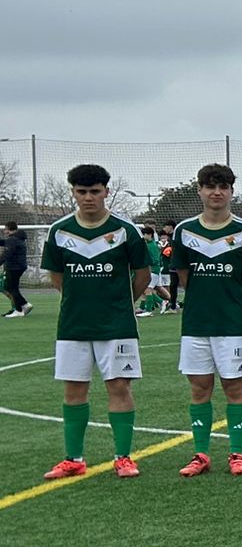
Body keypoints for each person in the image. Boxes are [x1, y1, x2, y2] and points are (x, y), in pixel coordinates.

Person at [40, 163, 152, 479]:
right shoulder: (59, 232)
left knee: (118, 386)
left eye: (94, 191)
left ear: (106, 191)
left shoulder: (125, 231)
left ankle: (123, 457)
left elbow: (142, 276)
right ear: (73, 192)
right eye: (81, 192)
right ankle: (74, 458)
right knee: (74, 390)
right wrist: (81, 301)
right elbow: (57, 276)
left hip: (117, 326)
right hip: (73, 325)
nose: (88, 198)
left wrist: (119, 304)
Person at [170, 163, 242, 476]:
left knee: (235, 388)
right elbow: (184, 276)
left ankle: (236, 453)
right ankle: (201, 454)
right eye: (210, 186)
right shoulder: (185, 231)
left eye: (223, 187)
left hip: (233, 324)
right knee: (199, 389)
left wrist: (234, 299)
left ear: (231, 192)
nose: (216, 192)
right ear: (200, 190)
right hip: (196, 323)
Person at [2, 220, 29, 317]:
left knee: (9, 287)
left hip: (14, 267)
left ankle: (22, 307)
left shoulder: (12, 240)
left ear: (9, 229)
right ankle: (22, 307)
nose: (4, 231)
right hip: (19, 266)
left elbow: (7, 254)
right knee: (13, 288)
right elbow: (5, 243)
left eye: (5, 229)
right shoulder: (17, 238)